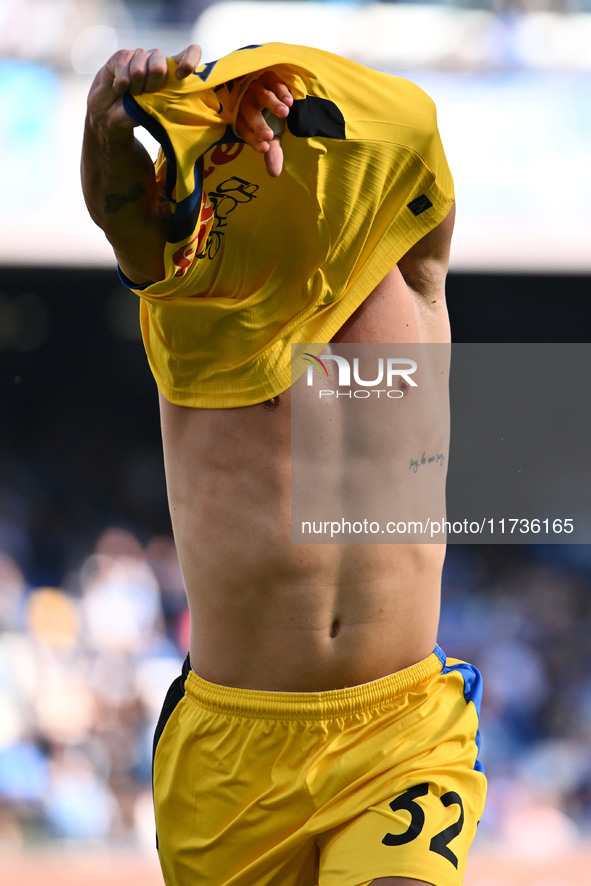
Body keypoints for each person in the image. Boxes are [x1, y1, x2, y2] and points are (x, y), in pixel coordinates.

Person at [81, 42, 486, 886]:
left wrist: (297, 91)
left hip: (399, 729)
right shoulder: (190, 293)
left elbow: (411, 135)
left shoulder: (410, 275)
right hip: (232, 754)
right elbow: (121, 207)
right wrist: (109, 115)